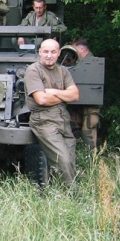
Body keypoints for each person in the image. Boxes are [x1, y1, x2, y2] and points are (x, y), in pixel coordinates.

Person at [24, 39, 79, 186]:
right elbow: (41, 99)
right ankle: (71, 193)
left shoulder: (63, 71)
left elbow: (75, 95)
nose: (49, 55)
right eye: (46, 52)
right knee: (63, 161)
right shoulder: (33, 71)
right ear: (40, 52)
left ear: (59, 53)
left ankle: (57, 193)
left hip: (63, 120)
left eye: (53, 52)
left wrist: (53, 92)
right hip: (44, 121)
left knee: (70, 161)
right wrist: (64, 96)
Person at [69, 38, 101, 150]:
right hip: (77, 102)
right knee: (74, 127)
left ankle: (91, 157)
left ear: (81, 49)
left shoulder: (94, 63)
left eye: (74, 48)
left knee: (88, 129)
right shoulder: (77, 62)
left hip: (90, 104)